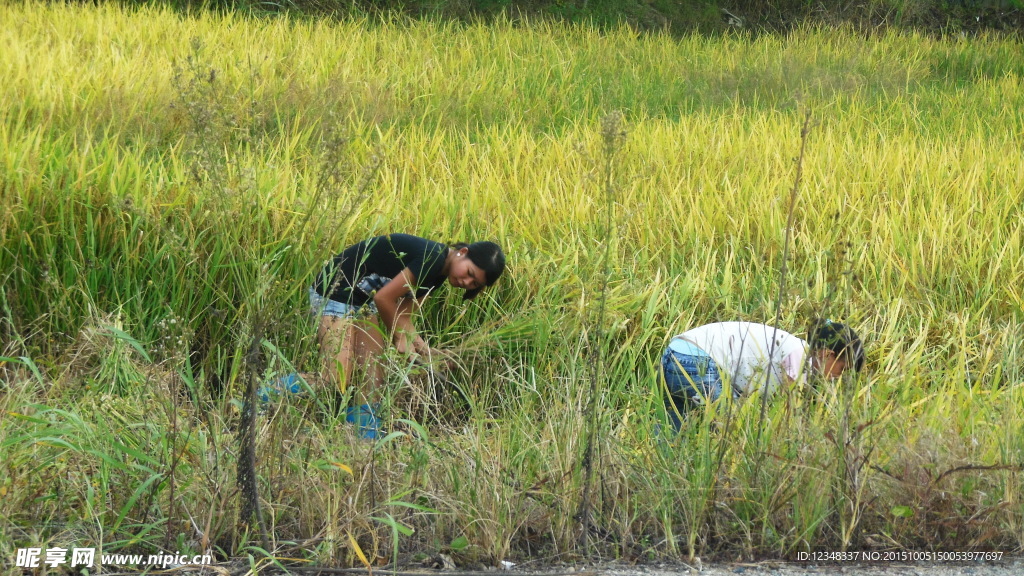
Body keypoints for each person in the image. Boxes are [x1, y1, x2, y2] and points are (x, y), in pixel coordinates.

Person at [309, 233, 505, 438]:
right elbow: (384, 299)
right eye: (469, 272)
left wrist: (426, 351)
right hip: (334, 291)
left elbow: (403, 316)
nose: (466, 281)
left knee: (373, 378)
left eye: (474, 283)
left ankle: (363, 439)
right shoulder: (432, 258)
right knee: (332, 379)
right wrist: (400, 338)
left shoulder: (438, 275)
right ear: (462, 253)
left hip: (360, 302)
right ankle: (271, 393)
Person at [660, 319, 864, 430]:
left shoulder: (788, 346)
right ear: (829, 354)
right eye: (842, 369)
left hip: (674, 355)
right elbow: (787, 413)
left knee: (672, 435)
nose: (838, 377)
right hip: (697, 362)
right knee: (732, 429)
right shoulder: (799, 355)